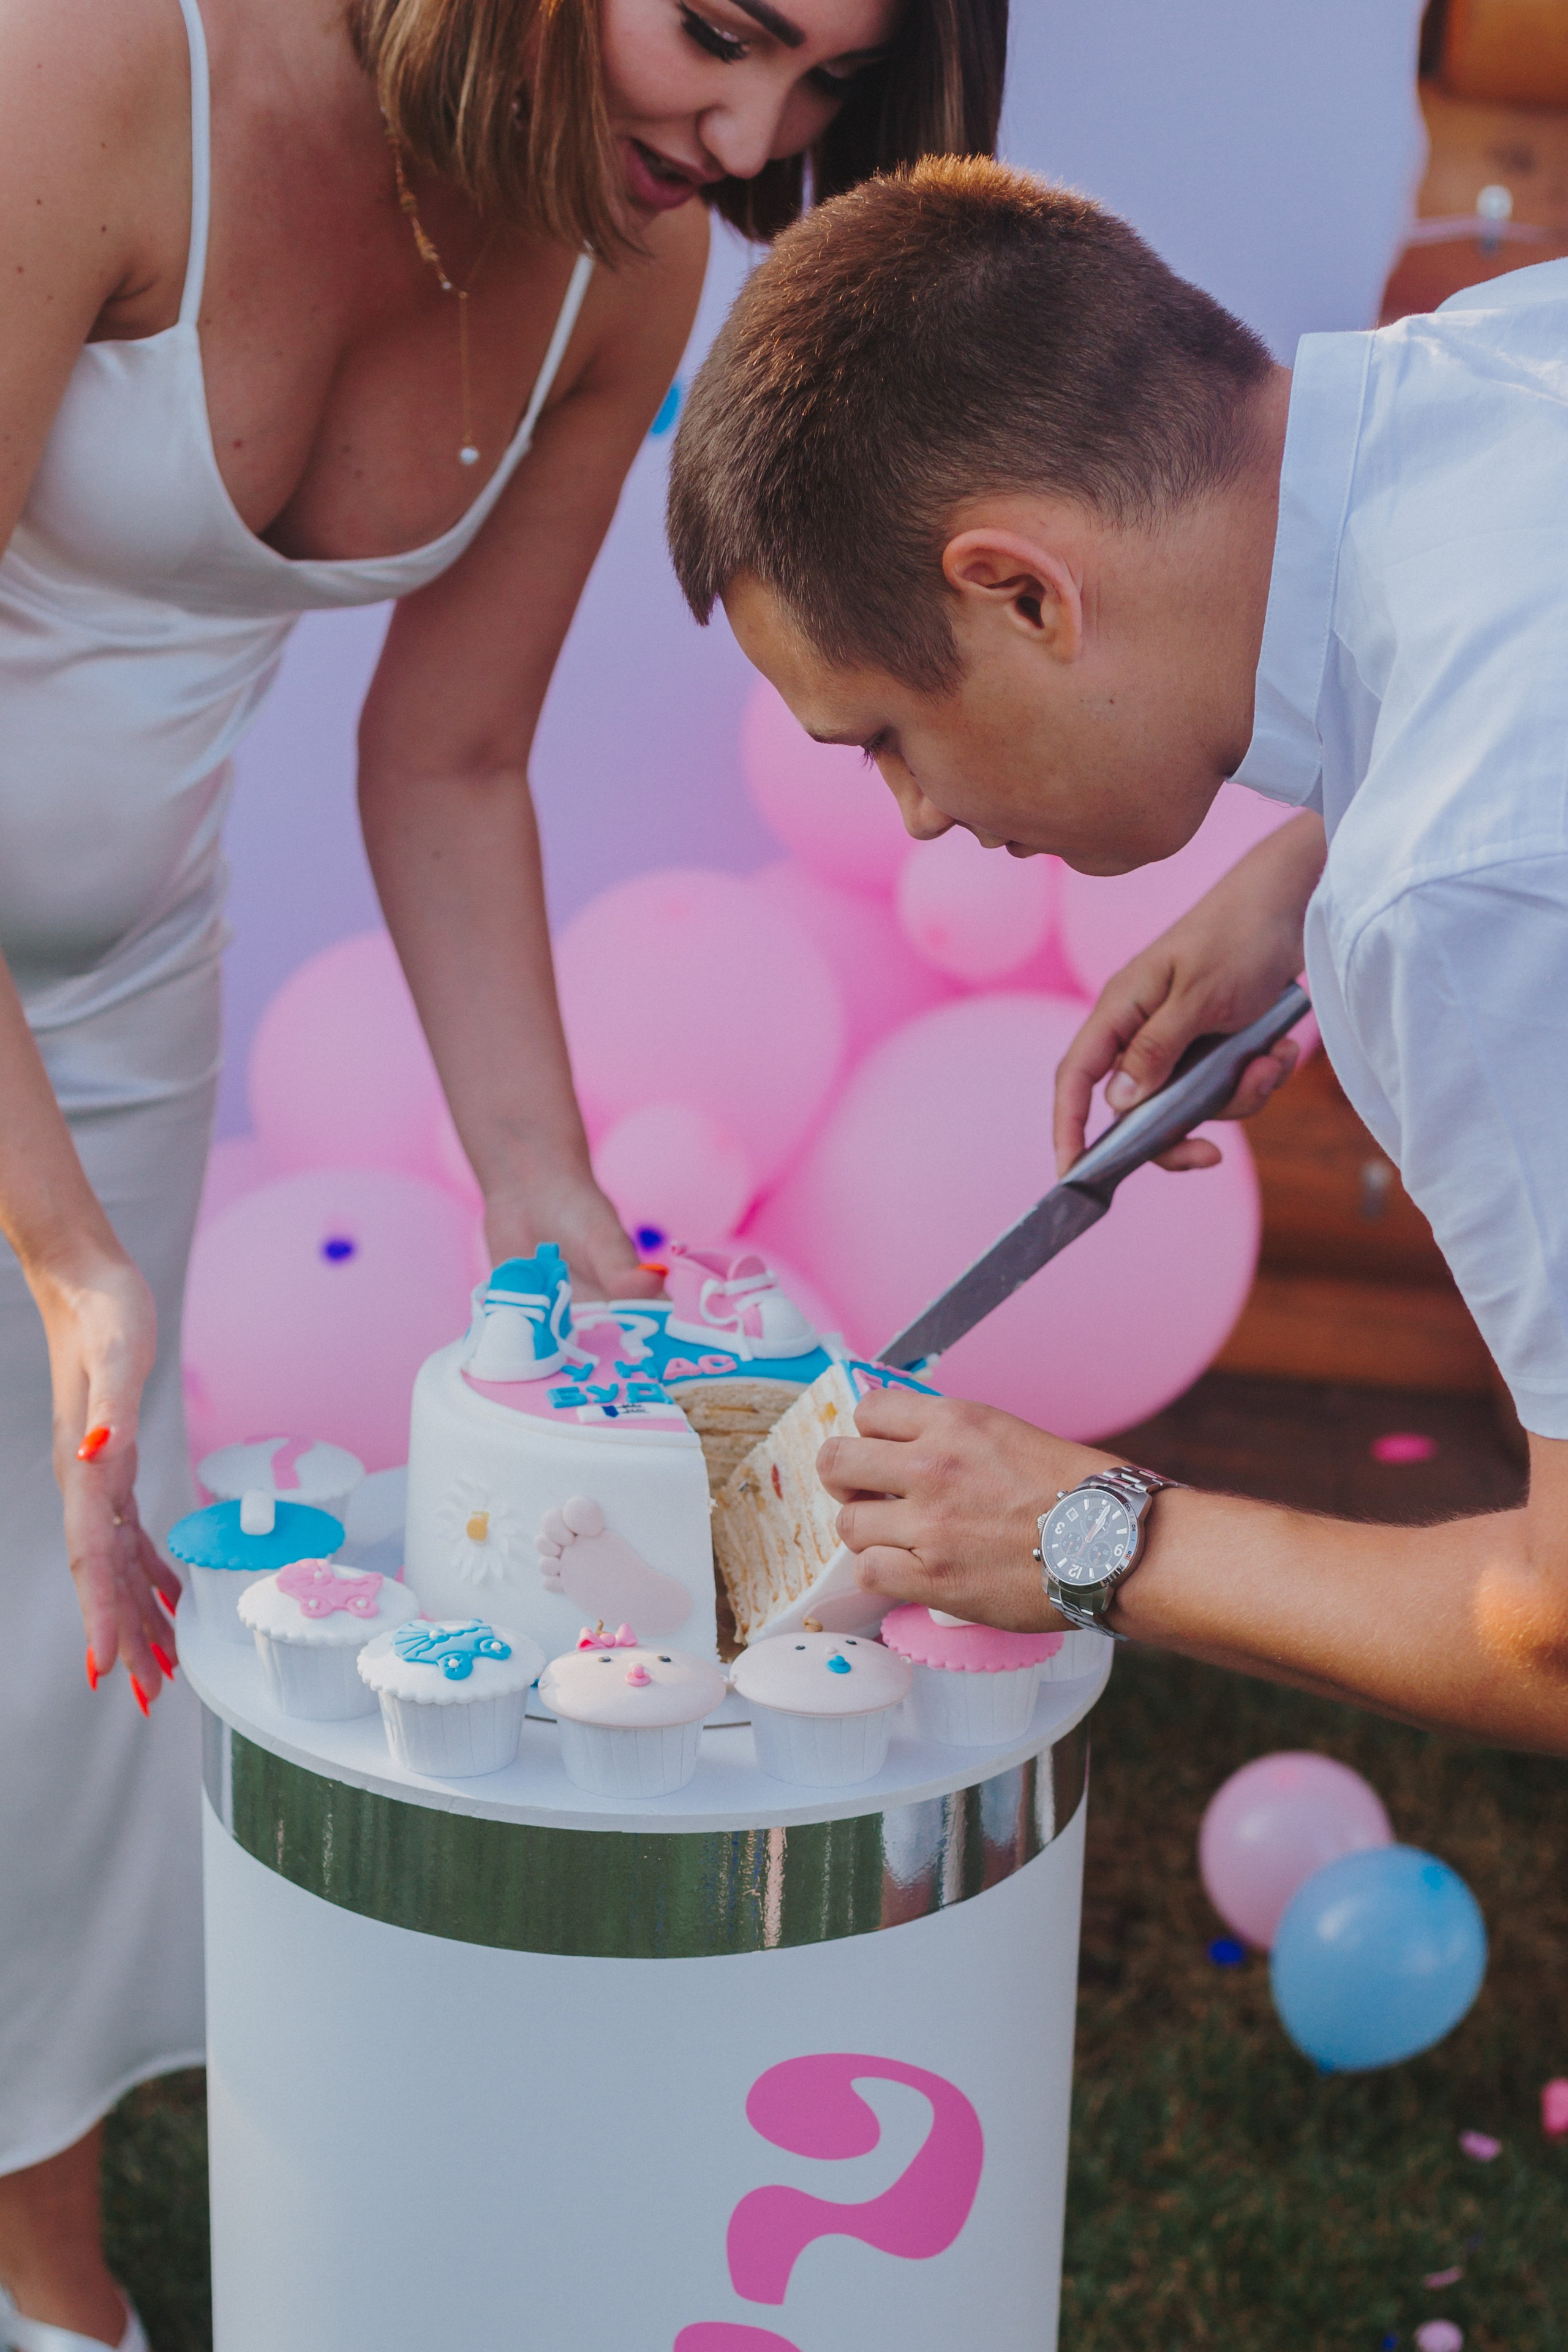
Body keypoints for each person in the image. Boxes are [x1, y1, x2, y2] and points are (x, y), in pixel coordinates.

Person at [0, 4, 1008, 2340]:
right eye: (723, 34)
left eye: (825, 87)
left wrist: (542, 1186)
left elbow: (449, 755)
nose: (750, 136)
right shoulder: (95, 74)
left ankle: (37, 2249)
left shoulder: (621, 257)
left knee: (45, 1653)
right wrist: (62, 1253)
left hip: (118, 996)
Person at [666, 155, 1568, 1758]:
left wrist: (1091, 1534)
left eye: (886, 735)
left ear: (1021, 593)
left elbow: (1560, 1635)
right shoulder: (1508, 351)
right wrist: (1306, 856)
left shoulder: (1454, 894)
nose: (917, 816)